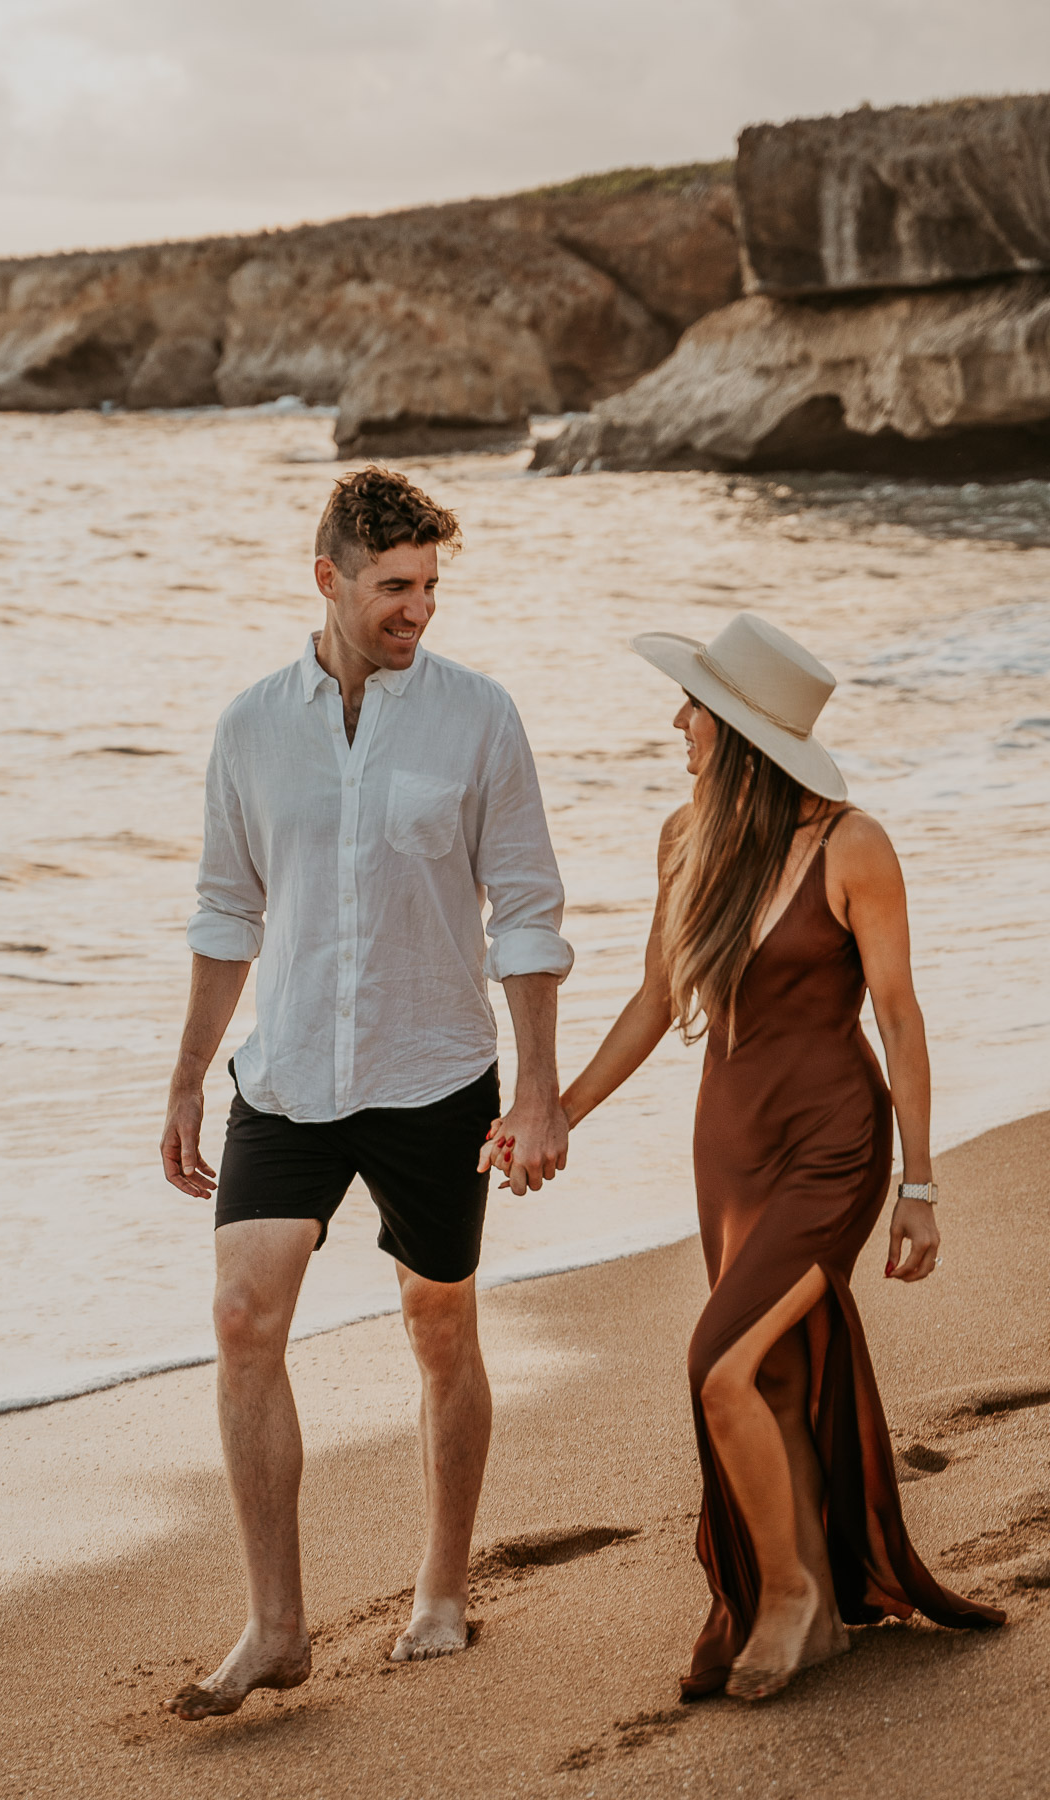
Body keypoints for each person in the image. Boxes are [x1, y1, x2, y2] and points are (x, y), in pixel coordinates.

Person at [498, 611, 1005, 1702]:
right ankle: (813, 1596)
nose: (678, 721)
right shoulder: (688, 837)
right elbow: (654, 999)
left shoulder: (852, 843)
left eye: (696, 707)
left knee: (716, 1363)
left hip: (833, 1144)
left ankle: (789, 1600)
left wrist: (920, 1186)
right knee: (766, 1370)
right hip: (727, 1141)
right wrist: (562, 1110)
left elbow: (901, 1021)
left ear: (738, 730)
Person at [158, 466, 572, 1721]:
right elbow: (227, 913)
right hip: (283, 1075)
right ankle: (277, 1626)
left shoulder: (480, 718)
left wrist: (541, 1091)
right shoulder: (249, 728)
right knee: (243, 1320)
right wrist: (185, 1079)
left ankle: (441, 1589)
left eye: (432, 585)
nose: (419, 610)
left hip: (433, 1075)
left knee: (439, 1327)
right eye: (395, 586)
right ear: (327, 578)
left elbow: (530, 911)